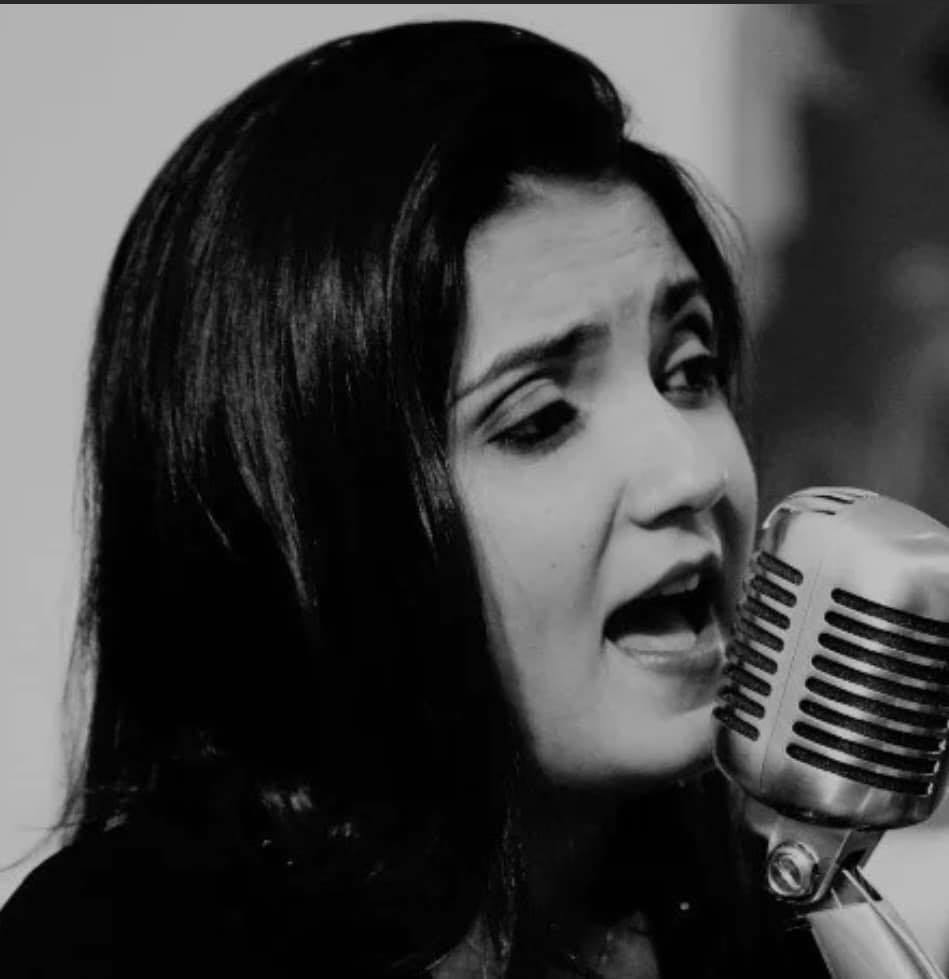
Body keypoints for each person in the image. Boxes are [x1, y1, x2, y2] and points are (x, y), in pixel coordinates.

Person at [0, 20, 826, 978]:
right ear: (316, 526)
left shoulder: (758, 928)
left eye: (688, 371)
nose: (693, 472)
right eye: (539, 419)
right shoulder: (123, 946)